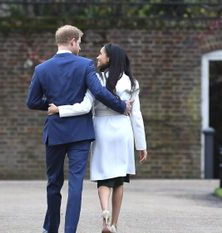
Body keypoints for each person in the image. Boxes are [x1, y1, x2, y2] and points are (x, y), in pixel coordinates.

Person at [26, 25, 133, 233]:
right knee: (76, 185)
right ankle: (69, 230)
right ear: (73, 41)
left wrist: (52, 106)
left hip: (55, 132)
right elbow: (99, 92)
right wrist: (121, 106)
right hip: (80, 134)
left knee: (53, 183)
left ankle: (50, 228)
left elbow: (32, 101)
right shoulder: (85, 66)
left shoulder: (42, 69)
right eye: (80, 43)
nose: (81, 48)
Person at [48, 44, 148, 233]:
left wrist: (60, 109)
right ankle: (114, 224)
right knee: (119, 179)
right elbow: (136, 115)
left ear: (109, 58)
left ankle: (104, 213)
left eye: (101, 54)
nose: (97, 56)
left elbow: (84, 107)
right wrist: (141, 144)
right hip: (123, 129)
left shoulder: (96, 79)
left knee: (103, 176)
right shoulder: (131, 82)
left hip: (101, 129)